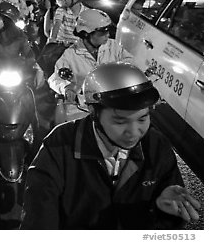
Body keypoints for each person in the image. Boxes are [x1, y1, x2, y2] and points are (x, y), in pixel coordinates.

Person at [21, 62, 201, 229]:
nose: (134, 132)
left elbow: (167, 225)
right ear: (93, 112)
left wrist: (164, 210)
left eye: (142, 118)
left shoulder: (156, 146)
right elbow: (39, 217)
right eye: (120, 121)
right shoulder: (60, 146)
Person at [48, 8, 133, 123]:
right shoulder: (70, 55)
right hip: (82, 110)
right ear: (86, 33)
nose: (107, 35)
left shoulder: (113, 47)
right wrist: (66, 88)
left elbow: (131, 65)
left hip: (113, 105)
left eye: (108, 31)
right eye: (102, 32)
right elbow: (54, 78)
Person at [0, 1, 44, 88]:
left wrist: (37, 69)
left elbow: (29, 55)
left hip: (16, 73)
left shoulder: (20, 35)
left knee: (29, 94)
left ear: (6, 21)